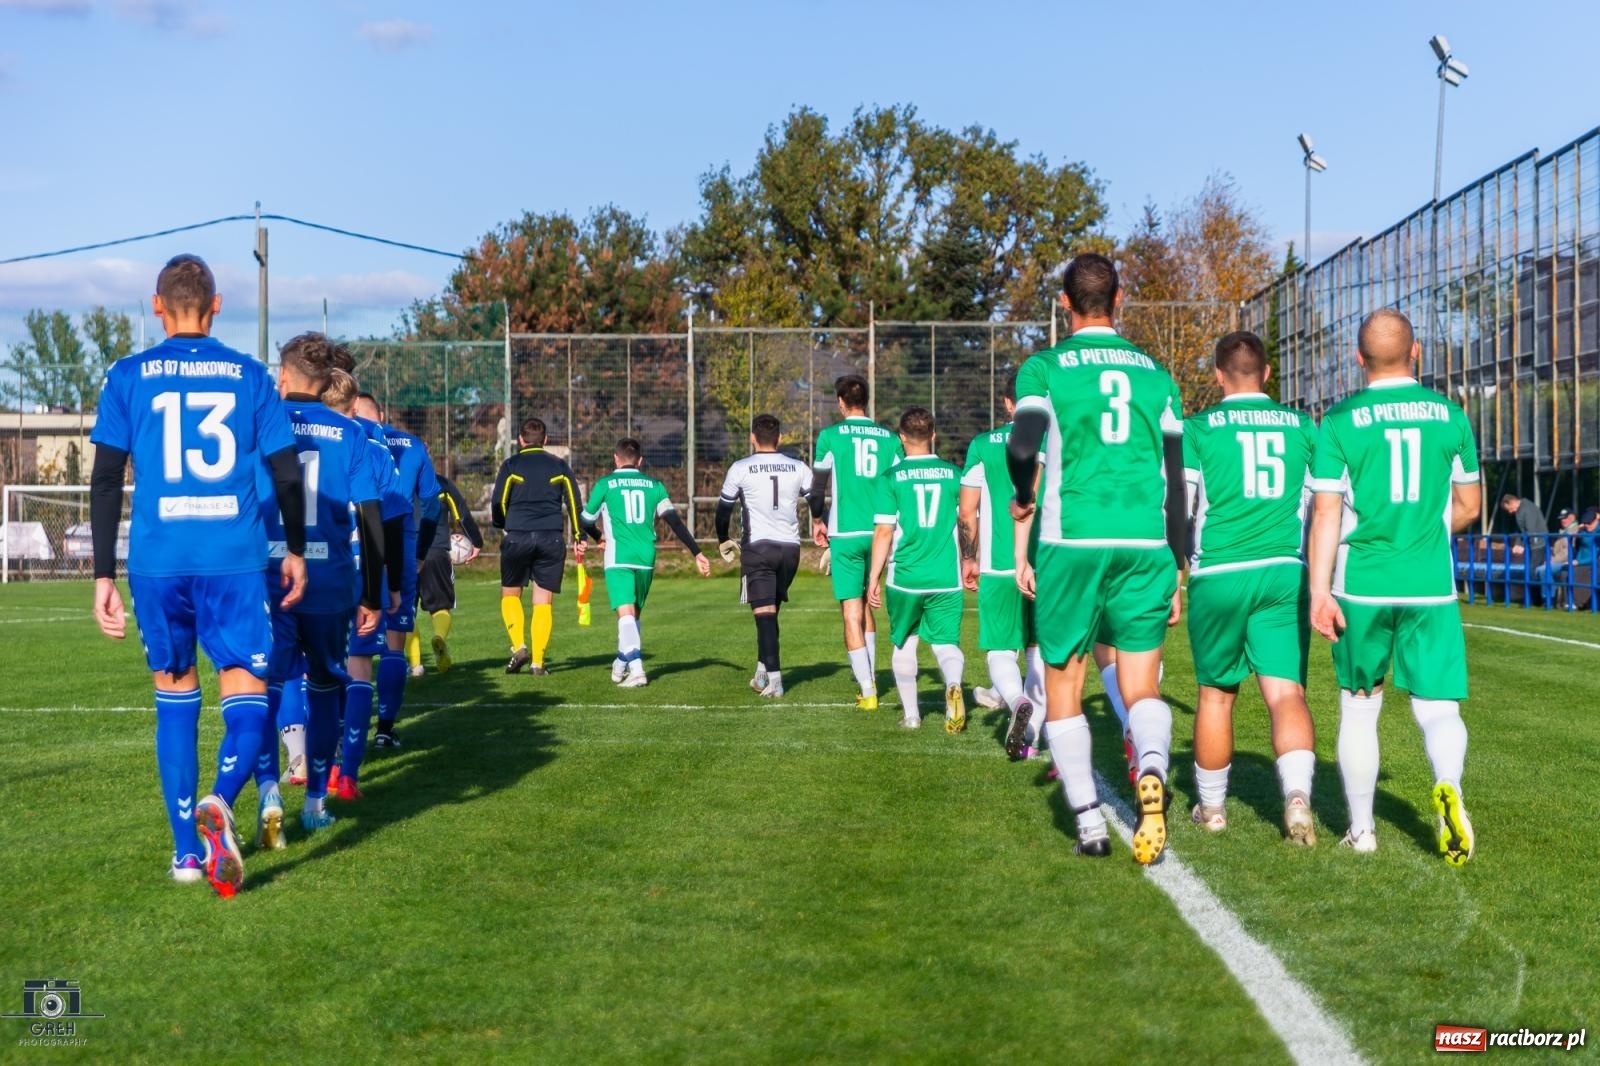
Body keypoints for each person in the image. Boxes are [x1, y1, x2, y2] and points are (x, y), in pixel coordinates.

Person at [89, 253, 307, 896]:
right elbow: (287, 472)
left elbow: (105, 479)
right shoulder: (248, 374)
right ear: (216, 307)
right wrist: (293, 547)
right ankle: (221, 797)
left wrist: (104, 574)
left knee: (175, 701)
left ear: (158, 306)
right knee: (246, 694)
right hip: (234, 559)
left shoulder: (127, 375)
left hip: (158, 562)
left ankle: (187, 854)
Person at [1006, 253, 1187, 864]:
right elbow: (1176, 473)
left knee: (1066, 681)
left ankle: (1087, 820)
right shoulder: (1156, 373)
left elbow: (1023, 443)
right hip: (1144, 540)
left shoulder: (1045, 367)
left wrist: (1025, 495)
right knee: (1139, 684)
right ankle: (1153, 770)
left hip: (1072, 538)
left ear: (1064, 303)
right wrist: (1179, 558)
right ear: (1121, 297)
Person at [1308, 308, 1482, 864]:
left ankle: (1362, 832)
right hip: (1429, 582)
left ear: (1358, 360)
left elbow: (1327, 514)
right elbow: (1469, 506)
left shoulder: (1338, 421)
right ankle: (1449, 785)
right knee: (1438, 708)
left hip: (1363, 583)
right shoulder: (1452, 416)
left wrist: (1318, 590)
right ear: (1417, 354)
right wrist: (1426, 530)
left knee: (1360, 708)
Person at [1181, 331, 1318, 844]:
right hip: (1284, 568)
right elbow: (1324, 505)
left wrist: (1175, 570)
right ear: (1266, 374)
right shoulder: (1303, 427)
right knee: (1286, 693)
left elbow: (1182, 504)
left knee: (1217, 695)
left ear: (1218, 375)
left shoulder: (1197, 429)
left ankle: (1213, 809)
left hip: (1218, 570)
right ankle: (1298, 796)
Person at [248, 334, 386, 840]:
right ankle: (315, 801)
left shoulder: (260, 423)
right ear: (329, 381)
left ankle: (268, 793)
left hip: (268, 575)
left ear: (282, 376)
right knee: (328, 685)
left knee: (266, 687)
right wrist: (372, 592)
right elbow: (370, 517)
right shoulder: (349, 433)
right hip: (329, 582)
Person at [324, 365, 407, 804]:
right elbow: (387, 519)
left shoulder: (299, 437)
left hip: (316, 569)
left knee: (310, 670)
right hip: (361, 570)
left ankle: (307, 765)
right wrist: (389, 581)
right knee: (359, 668)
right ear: (354, 405)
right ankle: (349, 774)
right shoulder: (373, 450)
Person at [579, 437, 712, 686]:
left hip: (618, 557)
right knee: (632, 615)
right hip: (646, 557)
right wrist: (696, 552)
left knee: (626, 613)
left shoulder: (606, 484)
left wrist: (597, 537)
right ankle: (622, 661)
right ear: (639, 461)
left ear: (615, 459)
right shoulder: (654, 486)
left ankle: (638, 670)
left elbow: (586, 520)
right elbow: (674, 521)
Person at [866, 407, 967, 731]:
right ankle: (952, 685)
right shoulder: (954, 474)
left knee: (905, 642)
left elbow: (883, 531)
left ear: (901, 437)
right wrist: (970, 559)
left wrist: (873, 577)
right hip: (946, 576)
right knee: (946, 643)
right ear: (933, 436)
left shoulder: (891, 478)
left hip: (906, 577)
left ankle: (911, 716)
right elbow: (967, 521)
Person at [809, 374, 904, 710]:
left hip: (846, 533)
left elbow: (817, 487)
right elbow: (901, 484)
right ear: (867, 400)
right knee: (868, 603)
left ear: (840, 402)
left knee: (851, 611)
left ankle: (867, 690)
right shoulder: (890, 439)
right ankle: (873, 676)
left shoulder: (830, 436)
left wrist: (817, 520)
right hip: (881, 530)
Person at [958, 391, 1045, 757]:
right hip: (1047, 564)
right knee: (1038, 650)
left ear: (1008, 403)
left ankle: (1015, 700)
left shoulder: (982, 444)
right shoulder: (1055, 441)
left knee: (999, 649)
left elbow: (967, 510)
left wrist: (969, 558)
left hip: (998, 565)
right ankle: (1034, 735)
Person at [352, 394, 441, 747]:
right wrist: (421, 551)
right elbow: (432, 501)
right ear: (383, 414)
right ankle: (385, 730)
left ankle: (337, 733)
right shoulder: (413, 444)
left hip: (355, 537)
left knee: (350, 643)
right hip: (401, 539)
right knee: (395, 639)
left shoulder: (350, 434)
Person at [716, 413, 813, 698]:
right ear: (780, 438)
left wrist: (723, 539)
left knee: (765, 616)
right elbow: (816, 500)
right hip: (790, 550)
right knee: (770, 611)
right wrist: (821, 525)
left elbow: (723, 511)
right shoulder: (798, 466)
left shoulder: (740, 467)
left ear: (752, 438)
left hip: (758, 548)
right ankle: (762, 672)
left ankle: (776, 682)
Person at [491, 418, 584, 675]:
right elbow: (575, 504)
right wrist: (579, 536)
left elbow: (498, 503)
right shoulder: (560, 466)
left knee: (510, 595)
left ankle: (519, 646)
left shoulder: (511, 465)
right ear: (545, 440)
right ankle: (538, 664)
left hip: (518, 535)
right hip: (551, 538)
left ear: (520, 440)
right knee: (543, 601)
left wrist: (502, 523)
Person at [405, 472, 482, 675]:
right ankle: (439, 636)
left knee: (405, 611)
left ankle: (416, 666)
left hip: (406, 551)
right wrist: (476, 541)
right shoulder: (442, 484)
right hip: (436, 550)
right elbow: (462, 514)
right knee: (441, 607)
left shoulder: (398, 480)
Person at [1538, 508, 1580, 607]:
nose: (1562, 521)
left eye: (1565, 518)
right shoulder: (1564, 531)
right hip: (1560, 561)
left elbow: (1567, 552)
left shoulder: (1574, 531)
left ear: (1572, 518)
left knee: (1543, 570)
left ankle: (1549, 599)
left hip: (1567, 562)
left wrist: (1551, 561)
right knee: (1540, 569)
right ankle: (1550, 598)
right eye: (1561, 519)